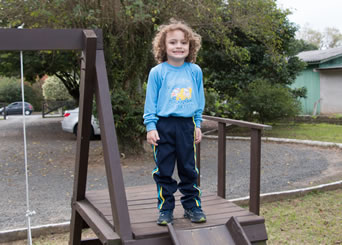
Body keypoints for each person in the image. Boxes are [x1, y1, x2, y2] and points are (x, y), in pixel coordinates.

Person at [143, 19, 206, 225]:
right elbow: (150, 102)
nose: (178, 46)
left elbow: (199, 99)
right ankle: (166, 209)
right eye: (172, 42)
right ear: (163, 46)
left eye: (183, 42)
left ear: (190, 46)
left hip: (187, 125)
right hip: (164, 126)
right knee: (164, 170)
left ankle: (192, 206)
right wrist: (150, 127)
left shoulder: (194, 71)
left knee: (189, 169)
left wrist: (197, 124)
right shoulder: (158, 72)